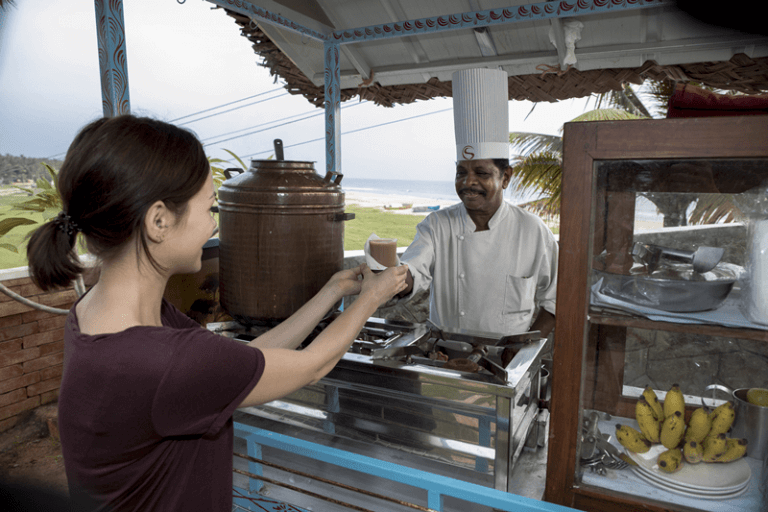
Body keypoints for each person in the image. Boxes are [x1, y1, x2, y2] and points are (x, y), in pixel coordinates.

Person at [25, 114, 408, 512]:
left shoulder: (97, 314)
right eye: (210, 209)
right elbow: (311, 365)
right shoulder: (161, 359)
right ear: (158, 221)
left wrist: (333, 291)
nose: (212, 226)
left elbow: (246, 361)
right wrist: (371, 298)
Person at [397, 68, 557, 338]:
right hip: (447, 353)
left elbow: (554, 300)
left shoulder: (533, 231)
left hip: (507, 357)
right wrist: (392, 276)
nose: (467, 183)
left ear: (505, 177)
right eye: (461, 172)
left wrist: (521, 350)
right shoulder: (437, 225)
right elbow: (414, 270)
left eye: (481, 173)